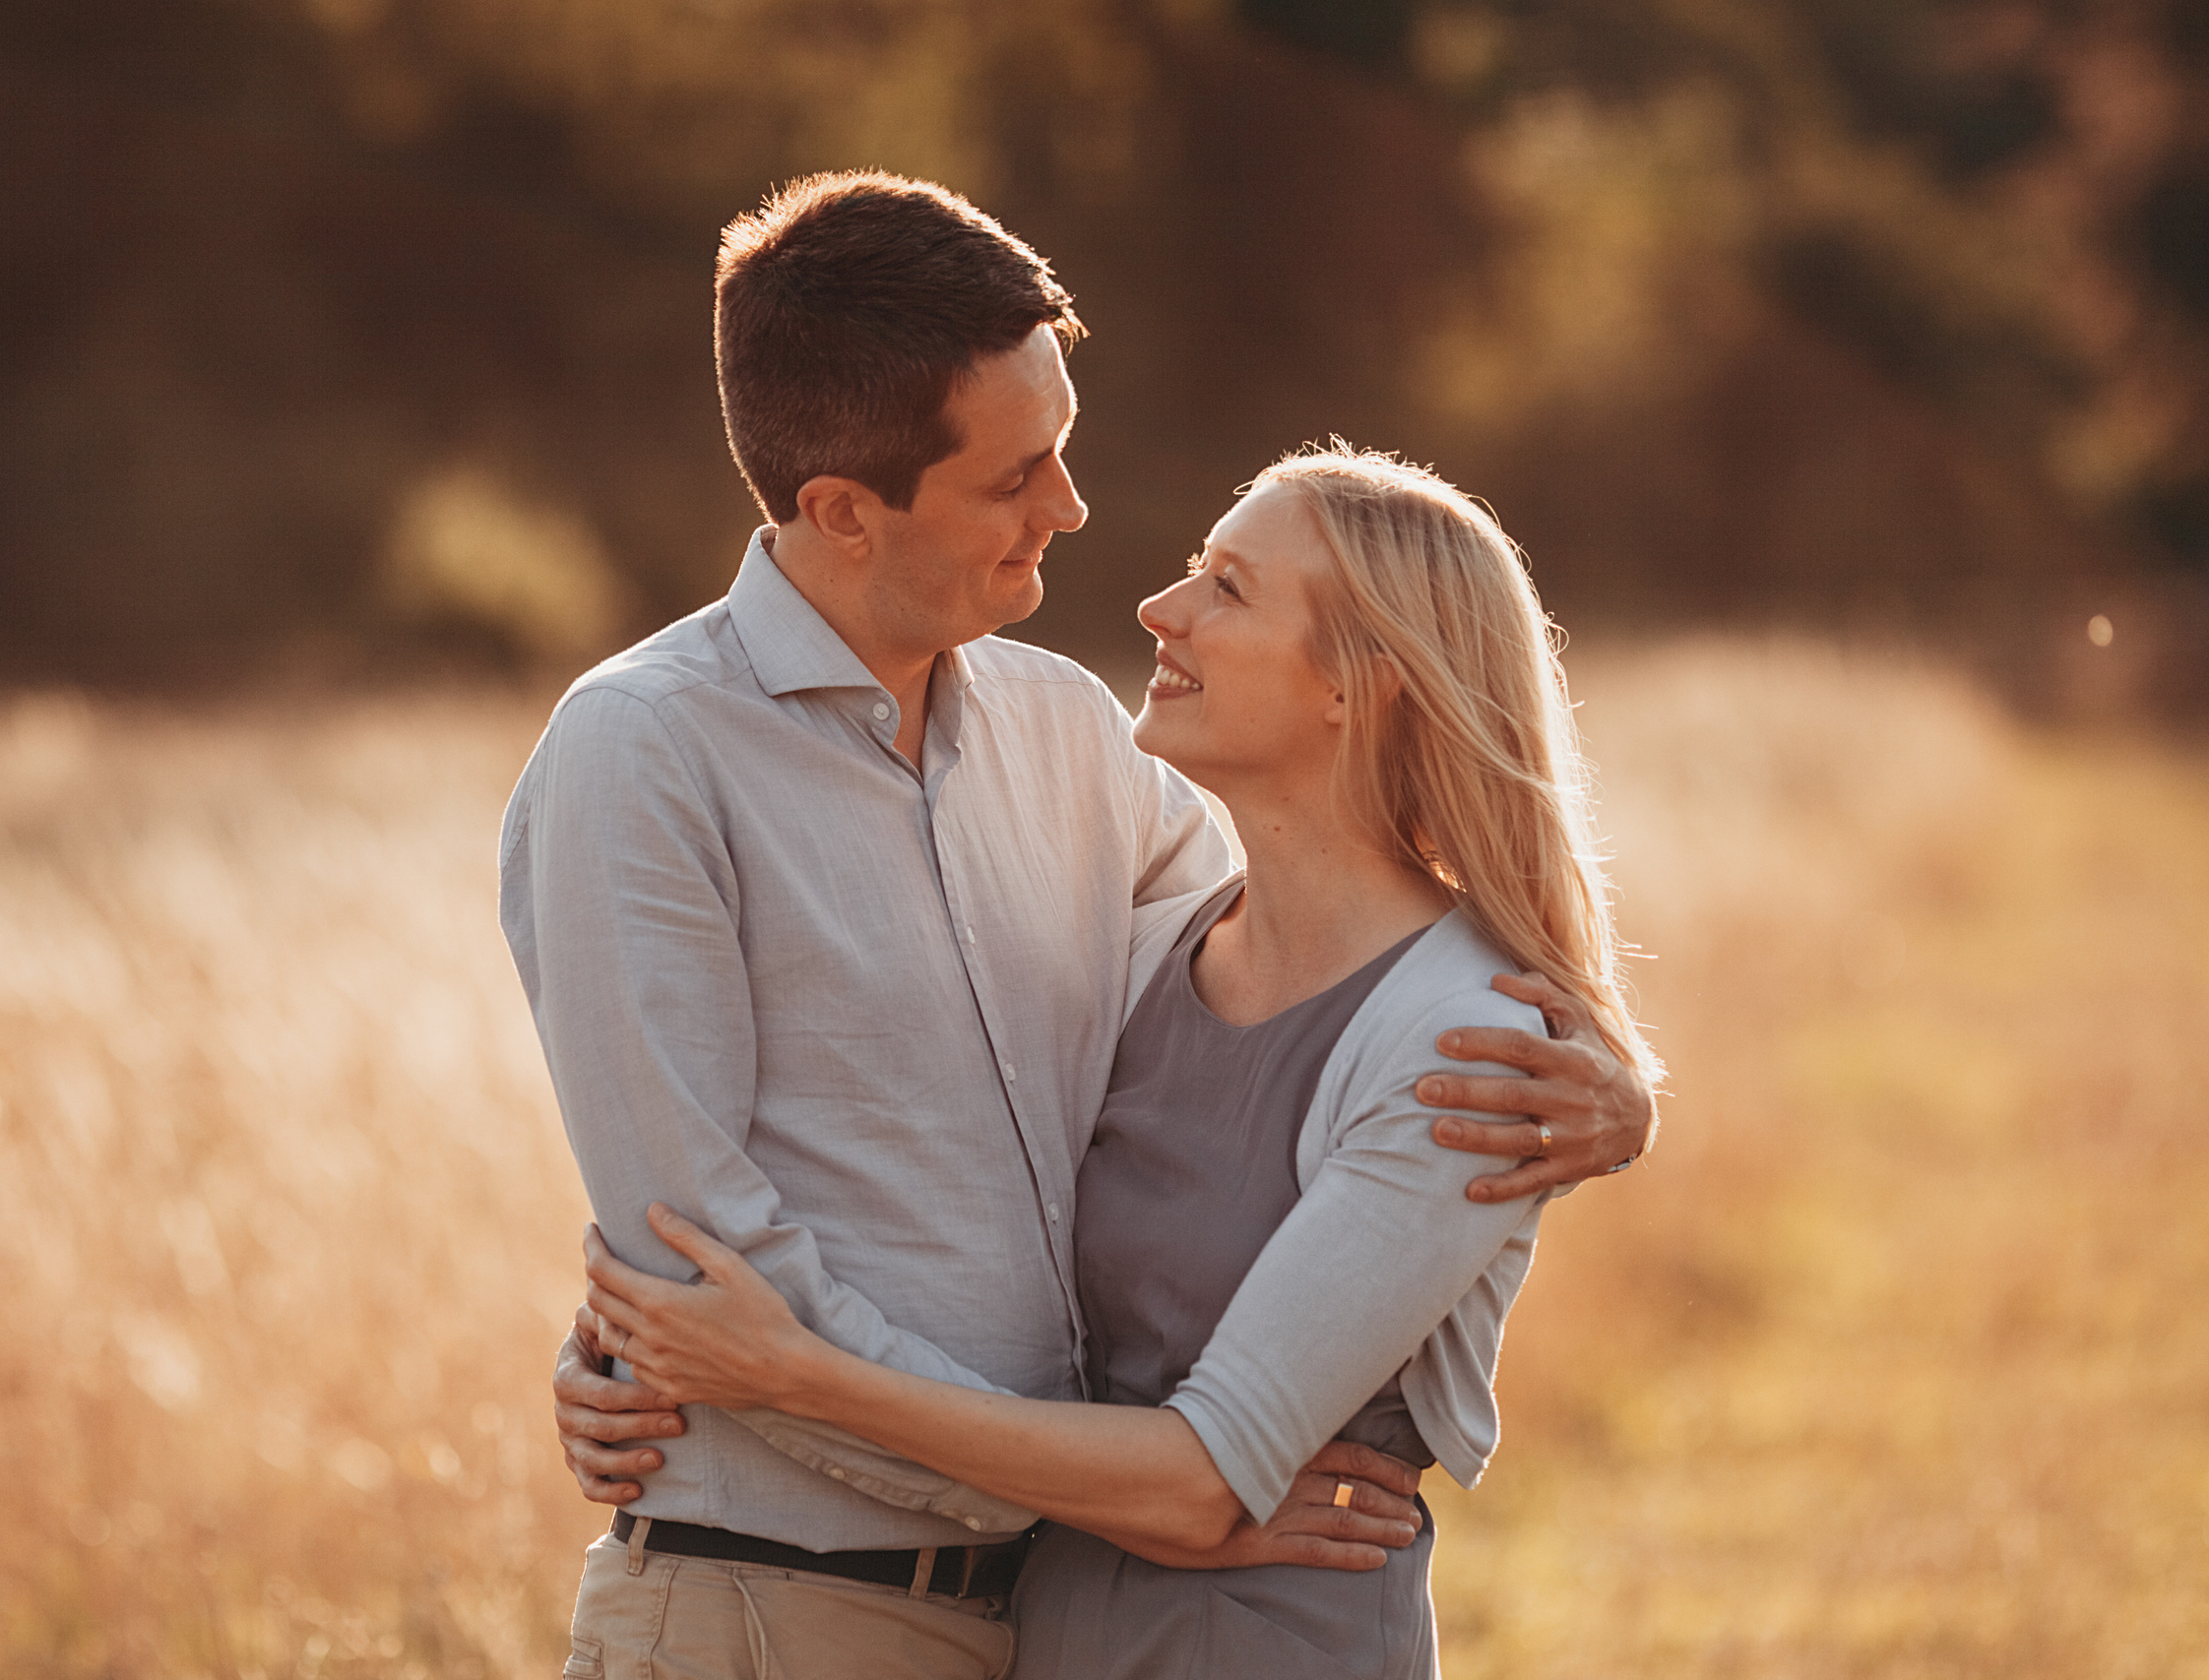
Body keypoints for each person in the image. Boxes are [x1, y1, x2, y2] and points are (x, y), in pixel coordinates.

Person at [500, 172, 1656, 1680]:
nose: (1072, 506)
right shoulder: (646, 753)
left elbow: (1288, 987)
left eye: (1065, 444)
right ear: (843, 511)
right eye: (1016, 475)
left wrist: (1605, 1090)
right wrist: (1155, 1496)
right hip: (781, 1611)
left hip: (1050, 1620)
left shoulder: (1069, 733)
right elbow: (702, 1273)